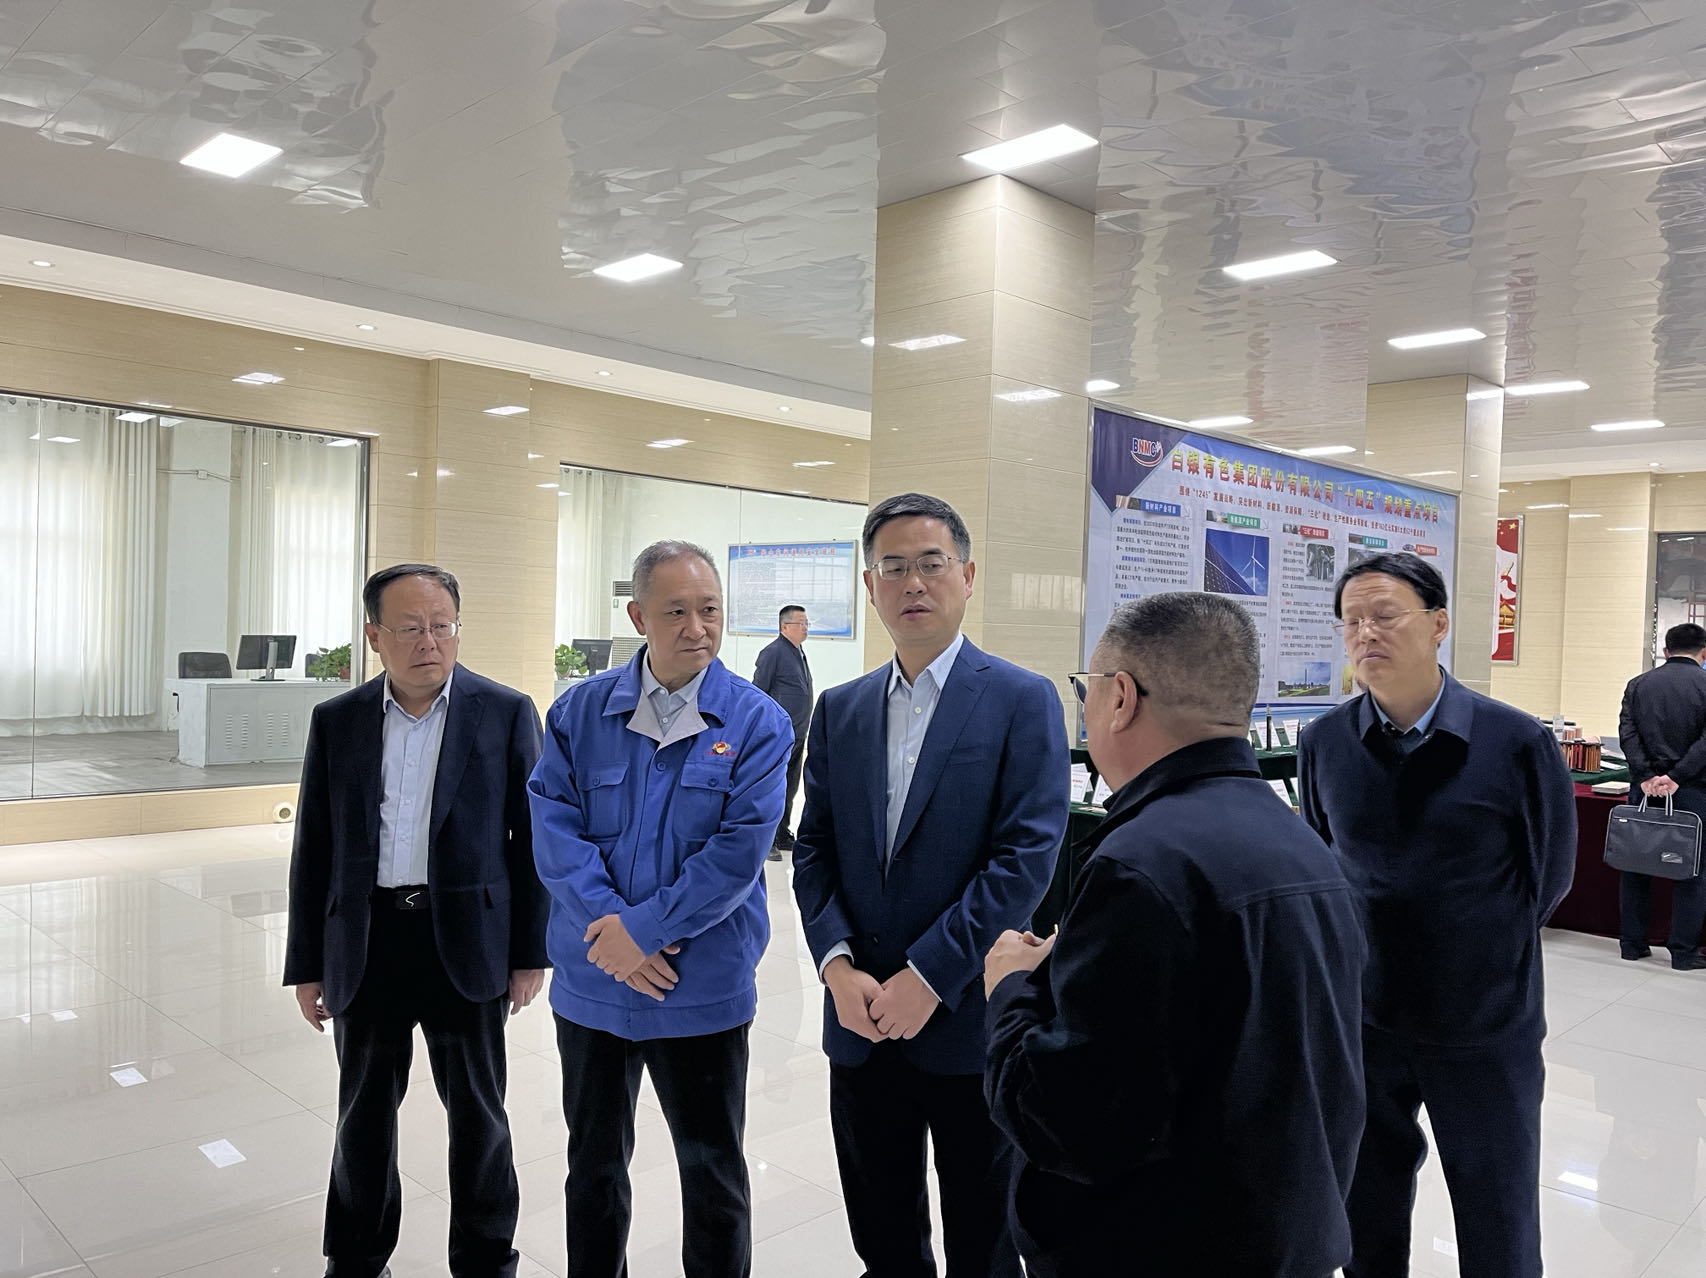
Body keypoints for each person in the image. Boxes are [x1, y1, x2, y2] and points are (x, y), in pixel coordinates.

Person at [983, 592, 1366, 1277]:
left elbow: (1067, 1119)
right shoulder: (1304, 847)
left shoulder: (1141, 865)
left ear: (1120, 698)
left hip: (1162, 1245)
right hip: (1283, 1236)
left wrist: (1012, 987)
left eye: (1087, 689)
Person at [792, 492, 1068, 1278]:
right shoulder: (840, 709)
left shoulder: (1020, 699)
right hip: (859, 1021)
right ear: (870, 584)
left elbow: (1025, 857)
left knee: (985, 1240)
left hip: (967, 1021)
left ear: (968, 576)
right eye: (893, 567)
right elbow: (813, 850)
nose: (912, 583)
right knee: (882, 1235)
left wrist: (928, 977)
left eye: (931, 564)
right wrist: (836, 967)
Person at [1297, 551, 1576, 1278]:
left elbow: (1549, 877)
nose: (1366, 633)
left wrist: (1477, 947)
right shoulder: (1324, 743)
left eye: (1385, 615)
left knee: (1498, 1217)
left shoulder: (1516, 741)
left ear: (1438, 624)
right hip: (1366, 1020)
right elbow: (1326, 863)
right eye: (1351, 621)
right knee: (1364, 1212)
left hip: (1484, 1022)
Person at [528, 540, 791, 1278]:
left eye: (710, 610)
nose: (697, 629)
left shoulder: (758, 722)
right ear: (638, 616)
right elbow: (555, 831)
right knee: (593, 1170)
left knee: (713, 1177)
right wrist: (614, 936)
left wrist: (642, 932)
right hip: (594, 984)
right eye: (676, 612)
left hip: (699, 987)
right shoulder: (579, 713)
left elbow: (737, 855)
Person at [284, 563, 547, 1278]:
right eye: (409, 628)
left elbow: (533, 841)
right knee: (363, 1116)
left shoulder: (505, 711)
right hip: (367, 940)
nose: (429, 641)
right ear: (375, 636)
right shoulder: (338, 720)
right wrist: (307, 963)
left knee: (480, 1117)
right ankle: (357, 1256)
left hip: (466, 940)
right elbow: (314, 846)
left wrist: (530, 952)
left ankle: (487, 1258)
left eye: (442, 625)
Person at [1616, 621, 1706, 968]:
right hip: (1694, 791)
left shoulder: (1638, 685)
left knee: (1635, 863)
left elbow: (1628, 735)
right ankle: (1682, 952)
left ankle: (1632, 944)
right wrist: (1677, 777)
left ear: (1666, 651)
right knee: (1693, 870)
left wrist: (1646, 776)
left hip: (1644, 790)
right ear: (1703, 652)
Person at [751, 604, 813, 862]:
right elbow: (758, 693)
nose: (806, 628)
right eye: (801, 623)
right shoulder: (773, 653)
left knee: (791, 785)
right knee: (773, 787)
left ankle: (783, 832)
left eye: (807, 623)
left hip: (797, 733)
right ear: (784, 626)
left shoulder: (798, 652)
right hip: (777, 735)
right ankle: (767, 840)